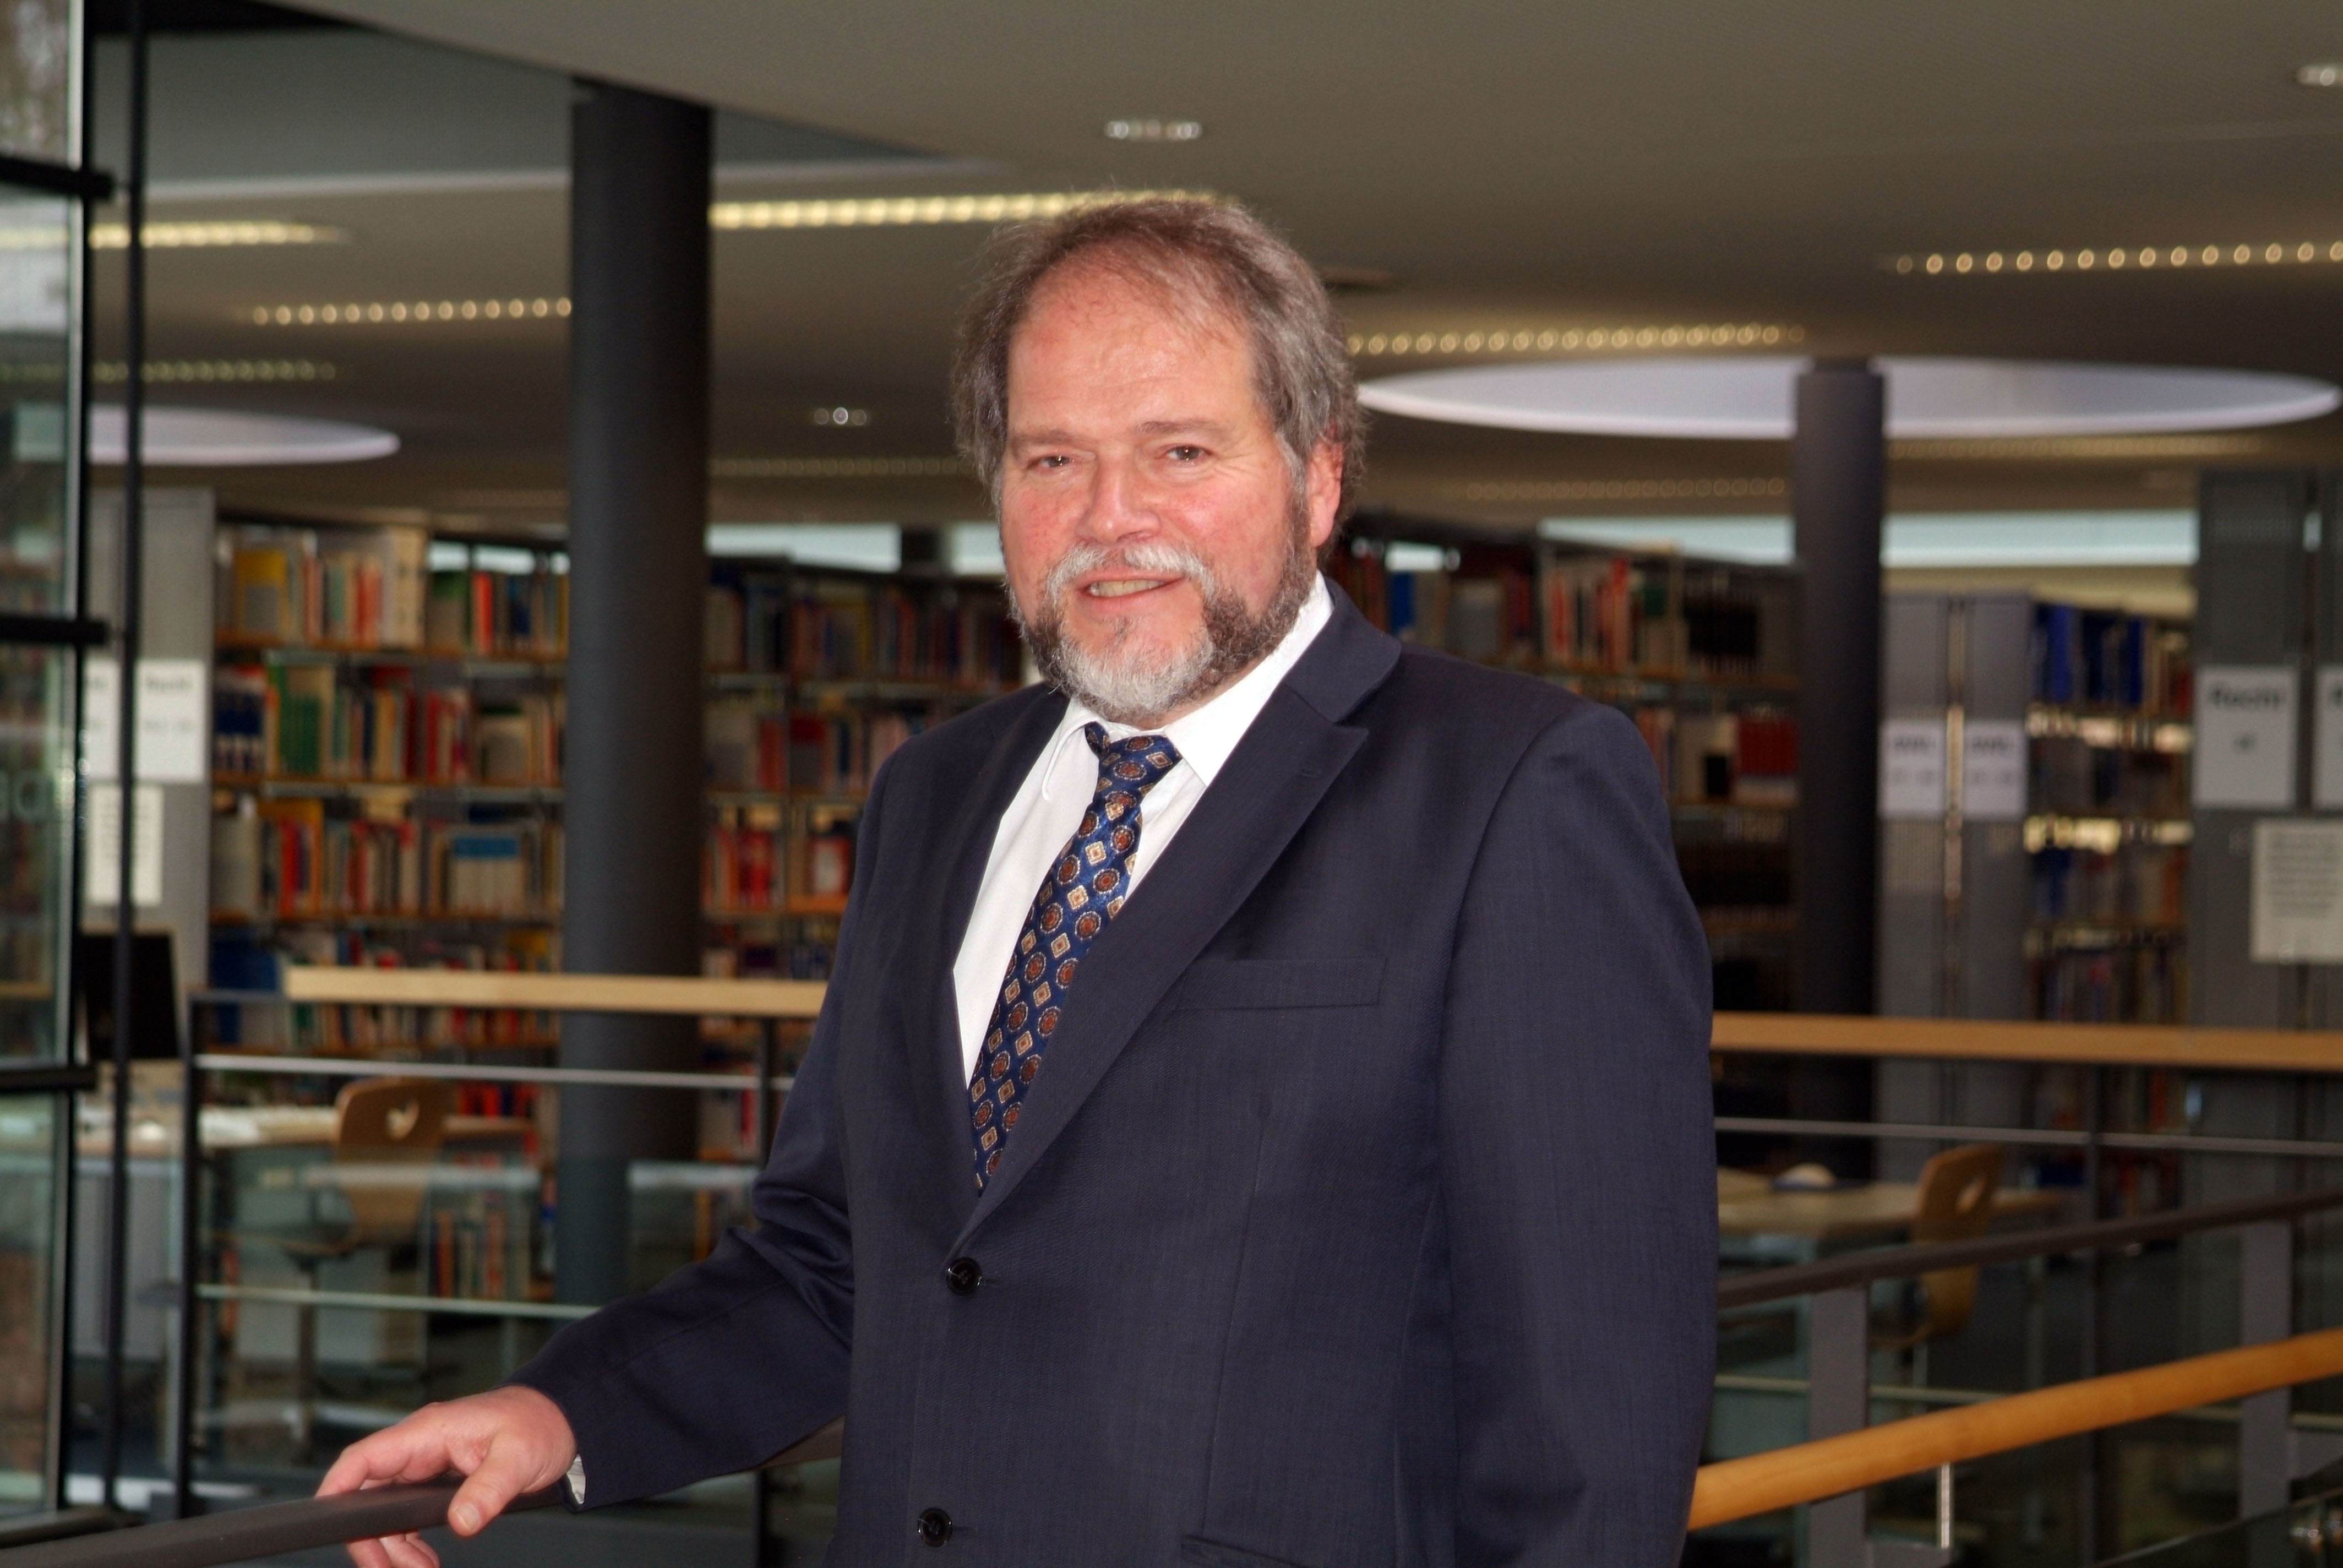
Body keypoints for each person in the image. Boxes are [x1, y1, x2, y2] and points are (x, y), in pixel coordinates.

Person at [323, 197, 1717, 1567]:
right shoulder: (935, 794)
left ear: (1318, 478)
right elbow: (838, 1259)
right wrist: (562, 1409)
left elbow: (1591, 1420)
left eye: (1179, 451)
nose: (1110, 518)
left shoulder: (1515, 789)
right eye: (1052, 458)